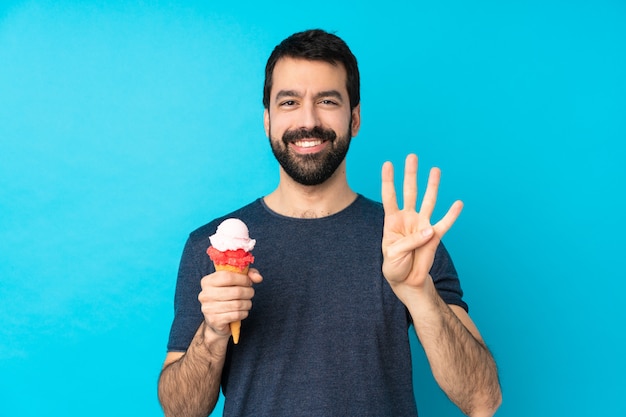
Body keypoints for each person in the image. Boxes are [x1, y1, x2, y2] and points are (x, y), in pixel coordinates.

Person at [158, 29, 502, 417]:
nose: (308, 121)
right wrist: (213, 333)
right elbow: (180, 411)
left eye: (326, 100)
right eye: (289, 102)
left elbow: (483, 399)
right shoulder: (208, 245)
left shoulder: (407, 240)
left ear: (353, 118)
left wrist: (419, 294)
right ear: (267, 120)